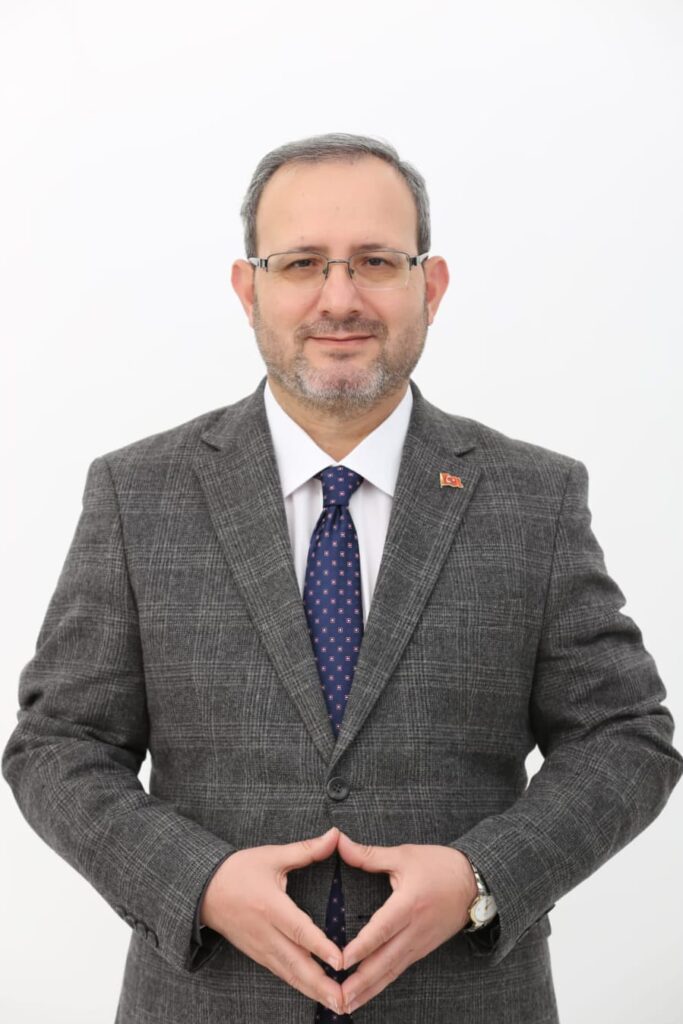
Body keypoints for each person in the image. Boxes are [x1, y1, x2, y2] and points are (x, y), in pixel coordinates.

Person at [3, 132, 682, 1024]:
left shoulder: (533, 497)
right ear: (248, 289)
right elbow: (59, 745)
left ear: (429, 286)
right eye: (300, 264)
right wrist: (198, 883)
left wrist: (480, 877)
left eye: (375, 261)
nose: (339, 298)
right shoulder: (140, 493)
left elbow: (625, 736)